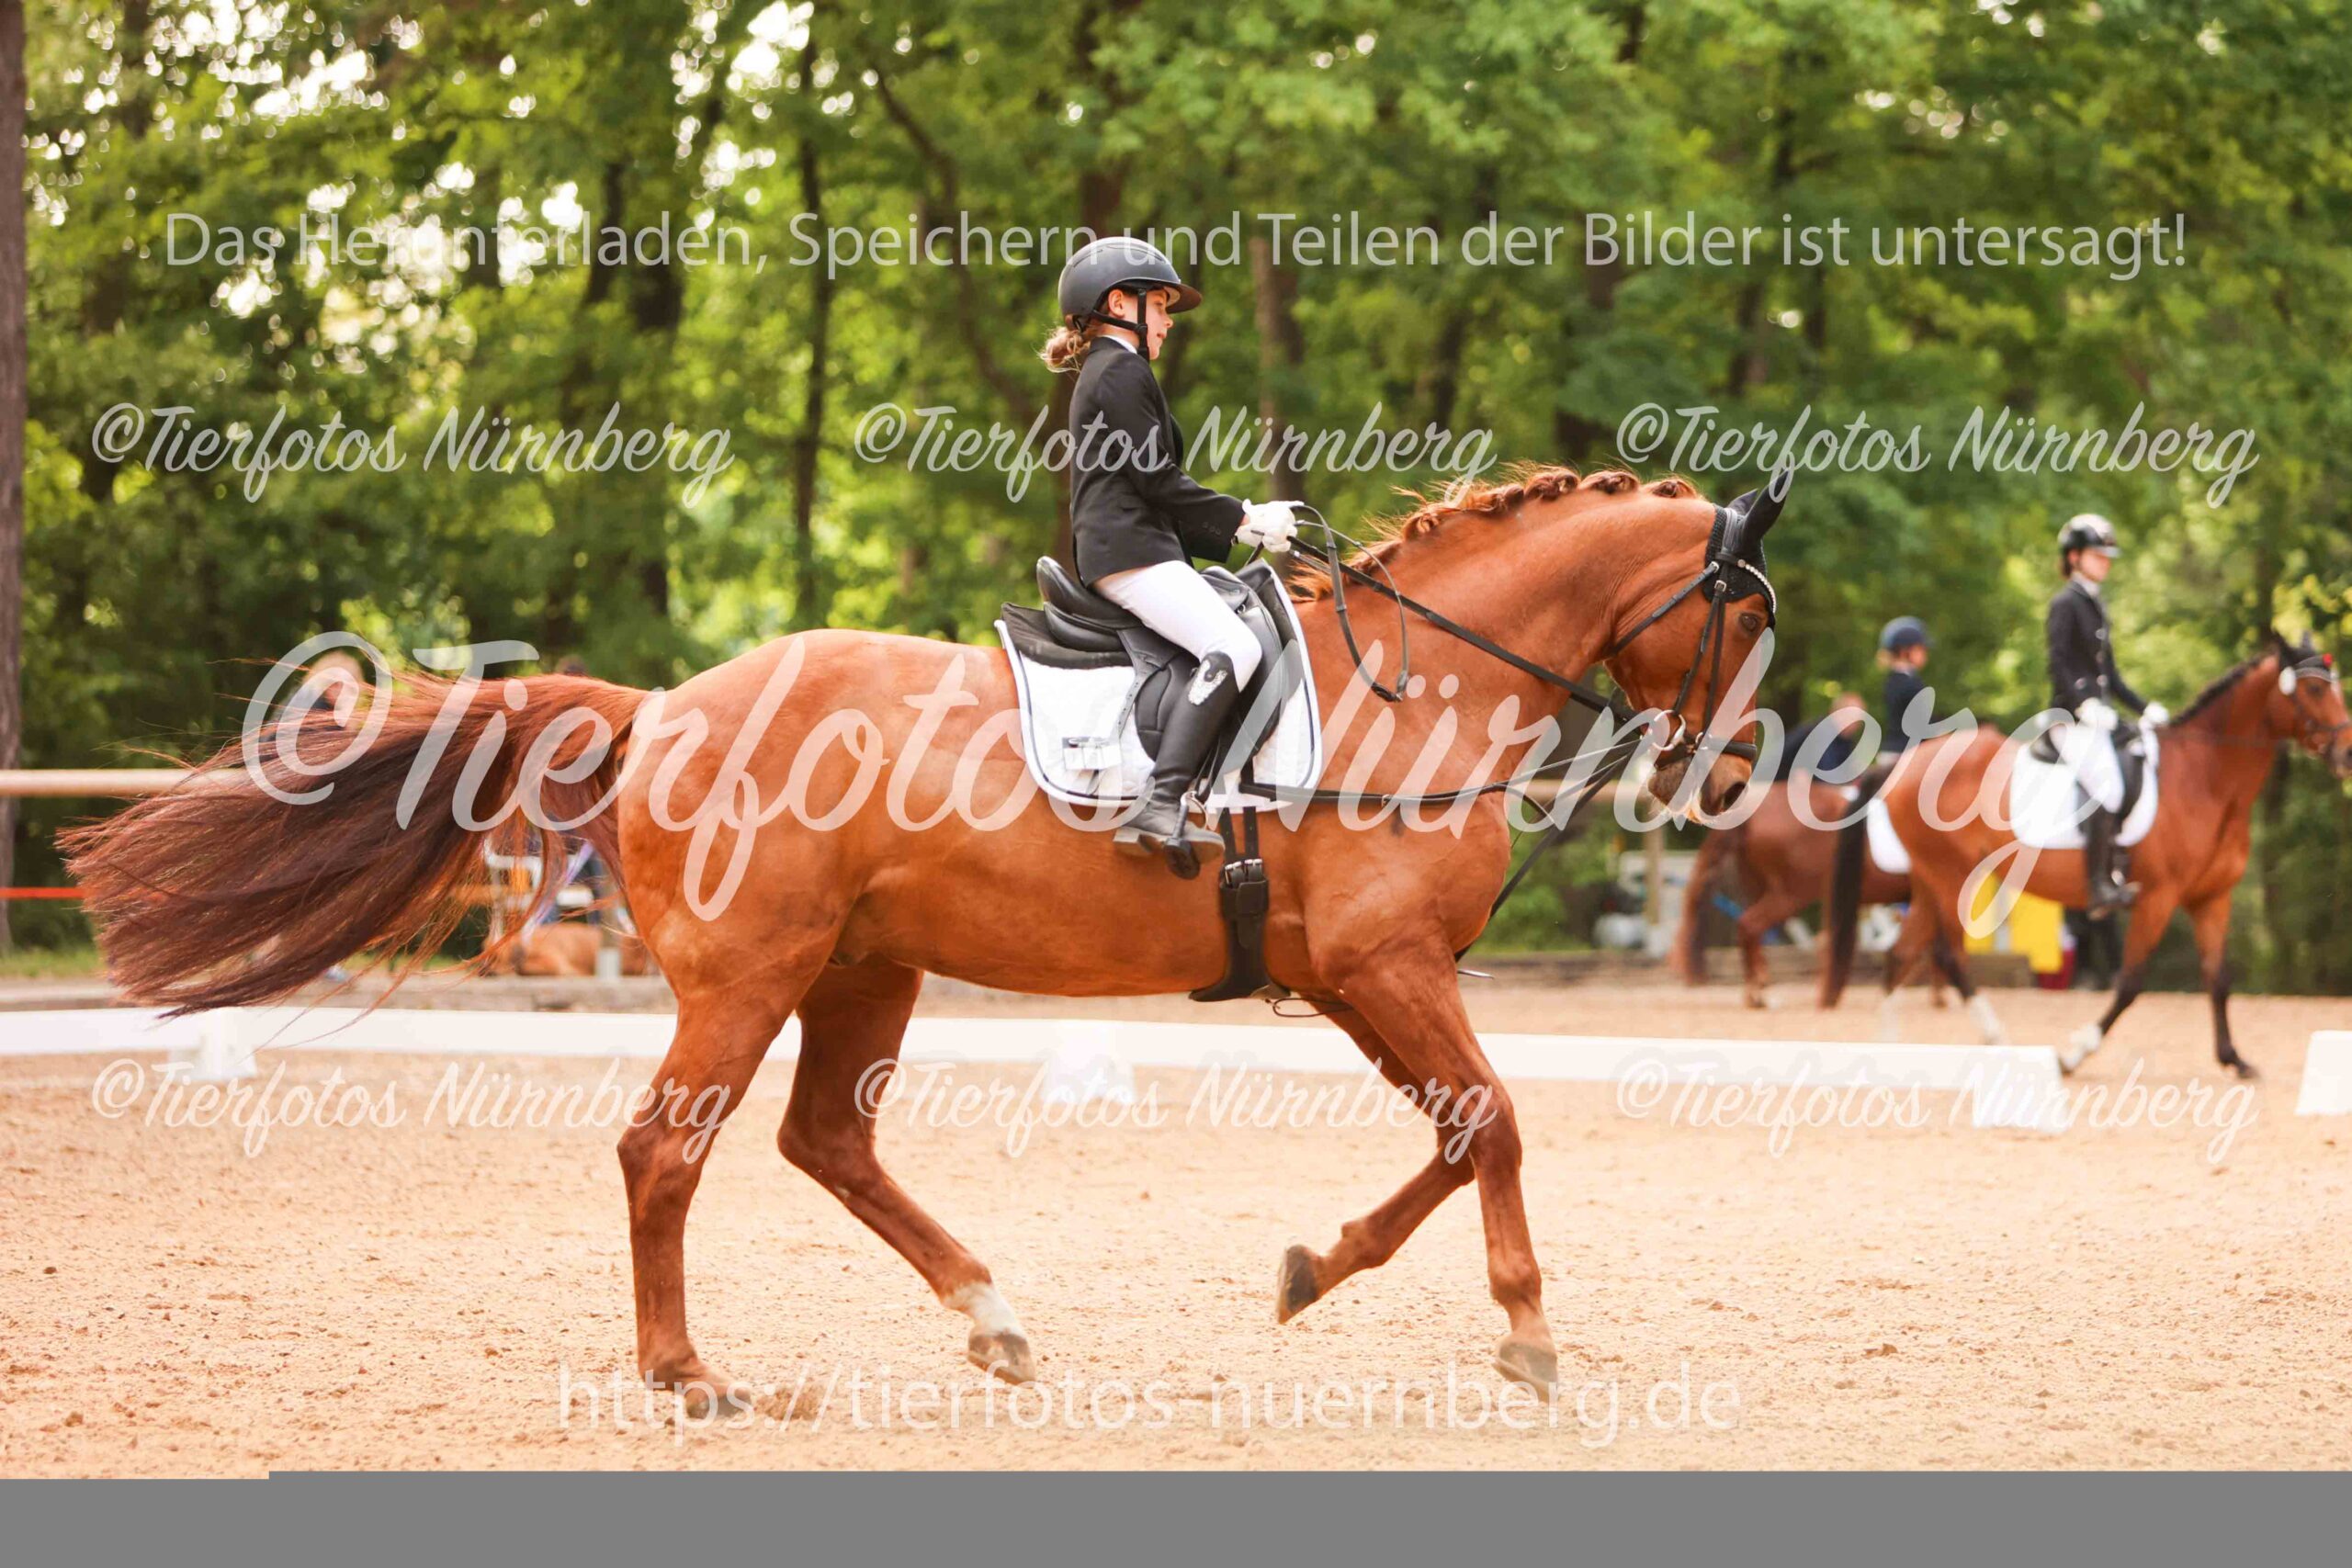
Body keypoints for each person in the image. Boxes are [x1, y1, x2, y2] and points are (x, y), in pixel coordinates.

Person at [1044, 236, 1297, 874]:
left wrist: (1234, 533)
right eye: (1158, 305)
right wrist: (1244, 517)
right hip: (1129, 551)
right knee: (1234, 645)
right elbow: (1157, 480)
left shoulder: (1113, 370)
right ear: (1118, 304)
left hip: (1132, 545)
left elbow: (1148, 486)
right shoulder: (1119, 370)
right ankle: (1161, 801)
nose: (1167, 320)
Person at [2046, 513, 2168, 918]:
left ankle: (2116, 864)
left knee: (2137, 760)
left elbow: (2110, 676)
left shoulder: (2096, 604)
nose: (2105, 563)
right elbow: (2059, 663)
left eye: (2106, 557)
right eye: (2097, 555)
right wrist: (2083, 703)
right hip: (2070, 718)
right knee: (2109, 787)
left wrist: (2143, 707)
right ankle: (2097, 886)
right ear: (2075, 557)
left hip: (2099, 718)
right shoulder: (2066, 603)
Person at [1876, 616, 1935, 752]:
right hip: (1906, 751)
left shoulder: (1895, 680)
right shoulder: (1909, 684)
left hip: (1895, 748)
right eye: (1921, 649)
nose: (1925, 654)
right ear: (1905, 651)